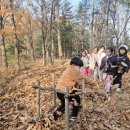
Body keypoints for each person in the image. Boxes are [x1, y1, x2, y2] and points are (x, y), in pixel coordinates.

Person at [50, 57, 97, 121]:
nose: (80, 69)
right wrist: (94, 83)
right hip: (64, 91)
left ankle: (53, 117)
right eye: (79, 67)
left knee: (65, 104)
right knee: (75, 100)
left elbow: (76, 80)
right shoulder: (73, 70)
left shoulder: (69, 69)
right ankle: (73, 116)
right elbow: (84, 78)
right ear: (74, 65)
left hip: (60, 90)